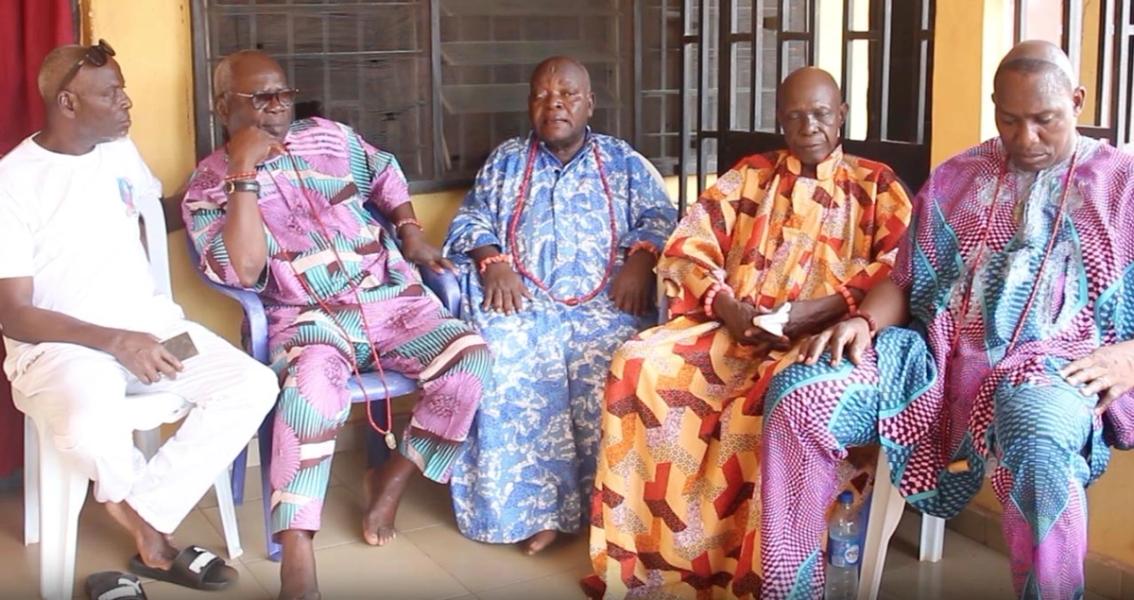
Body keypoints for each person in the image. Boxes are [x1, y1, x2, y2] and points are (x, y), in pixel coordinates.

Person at [762, 41, 1134, 600]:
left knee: (1037, 436)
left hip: (1054, 367)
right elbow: (905, 277)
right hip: (929, 361)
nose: (1025, 139)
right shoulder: (960, 176)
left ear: (1077, 102)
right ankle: (792, 590)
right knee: (798, 396)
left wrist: (1128, 356)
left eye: (1044, 120)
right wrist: (865, 322)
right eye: (1009, 120)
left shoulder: (1122, 185)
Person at [586, 66, 913, 598]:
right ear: (780, 121)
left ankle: (758, 574)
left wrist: (830, 307)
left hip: (821, 338)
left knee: (756, 407)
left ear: (843, 117)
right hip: (732, 326)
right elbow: (687, 247)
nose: (809, 126)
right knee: (639, 363)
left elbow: (901, 267)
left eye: (821, 114)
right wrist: (727, 305)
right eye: (795, 116)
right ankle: (650, 564)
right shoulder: (749, 176)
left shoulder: (877, 184)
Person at [182, 50, 489, 599]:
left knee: (471, 359)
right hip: (307, 319)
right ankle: (297, 549)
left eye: (284, 94)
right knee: (310, 390)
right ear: (222, 105)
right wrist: (244, 174)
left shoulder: (327, 137)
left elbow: (386, 171)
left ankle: (392, 479)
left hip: (391, 299)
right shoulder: (207, 186)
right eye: (262, 98)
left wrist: (411, 231)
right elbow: (245, 270)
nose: (279, 108)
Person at [0, 42, 278, 595]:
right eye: (111, 93)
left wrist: (232, 173)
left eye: (123, 88)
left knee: (251, 384)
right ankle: (150, 538)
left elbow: (159, 212)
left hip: (154, 329)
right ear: (68, 103)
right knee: (85, 422)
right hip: (63, 348)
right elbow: (14, 315)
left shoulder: (119, 149)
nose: (127, 103)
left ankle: (145, 516)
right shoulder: (12, 183)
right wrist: (115, 340)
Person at [444, 56, 676, 555]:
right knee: (503, 354)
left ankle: (611, 510)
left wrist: (641, 259)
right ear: (530, 105)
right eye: (543, 96)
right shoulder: (507, 161)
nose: (555, 105)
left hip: (607, 302)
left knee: (621, 356)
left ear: (589, 103)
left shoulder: (622, 160)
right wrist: (492, 261)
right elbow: (470, 221)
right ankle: (536, 513)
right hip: (524, 301)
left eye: (568, 94)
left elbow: (663, 216)